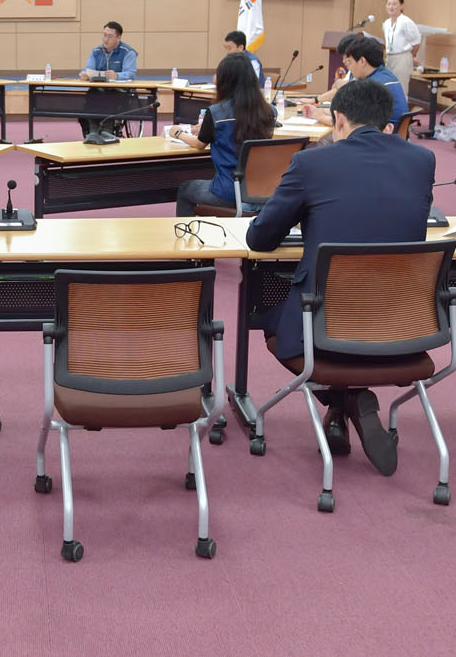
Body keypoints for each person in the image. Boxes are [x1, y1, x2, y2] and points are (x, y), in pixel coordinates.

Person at [245, 78, 435, 476]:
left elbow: (260, 238)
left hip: (325, 324)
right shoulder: (422, 160)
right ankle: (345, 404)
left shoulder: (312, 163)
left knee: (268, 319)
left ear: (339, 119)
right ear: (386, 122)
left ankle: (344, 400)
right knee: (334, 319)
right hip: (399, 323)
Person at [173, 52, 276, 215]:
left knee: (185, 189)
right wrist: (208, 128)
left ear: (225, 80)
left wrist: (178, 133)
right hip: (261, 192)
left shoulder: (216, 112)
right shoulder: (269, 111)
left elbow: (199, 144)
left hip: (229, 192)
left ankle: (186, 231)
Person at [303, 34, 406, 130]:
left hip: (379, 138)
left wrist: (318, 115)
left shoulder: (371, 86)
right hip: (393, 137)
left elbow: (348, 125)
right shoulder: (386, 75)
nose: (349, 68)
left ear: (362, 61)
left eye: (350, 62)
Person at [78, 20, 139, 135]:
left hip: (119, 92)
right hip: (99, 91)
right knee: (89, 101)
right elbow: (88, 69)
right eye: (104, 35)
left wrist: (117, 75)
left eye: (110, 36)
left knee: (108, 101)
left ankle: (107, 131)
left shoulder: (128, 52)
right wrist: (85, 75)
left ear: (118, 37)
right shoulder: (96, 51)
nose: (106, 39)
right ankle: (93, 132)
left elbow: (131, 73)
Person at [381, 0, 422, 89]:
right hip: (389, 57)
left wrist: (412, 56)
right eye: (388, 4)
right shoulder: (386, 23)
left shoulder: (406, 22)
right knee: (388, 87)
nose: (391, 7)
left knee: (401, 87)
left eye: (394, 4)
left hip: (402, 57)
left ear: (401, 6)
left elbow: (416, 42)